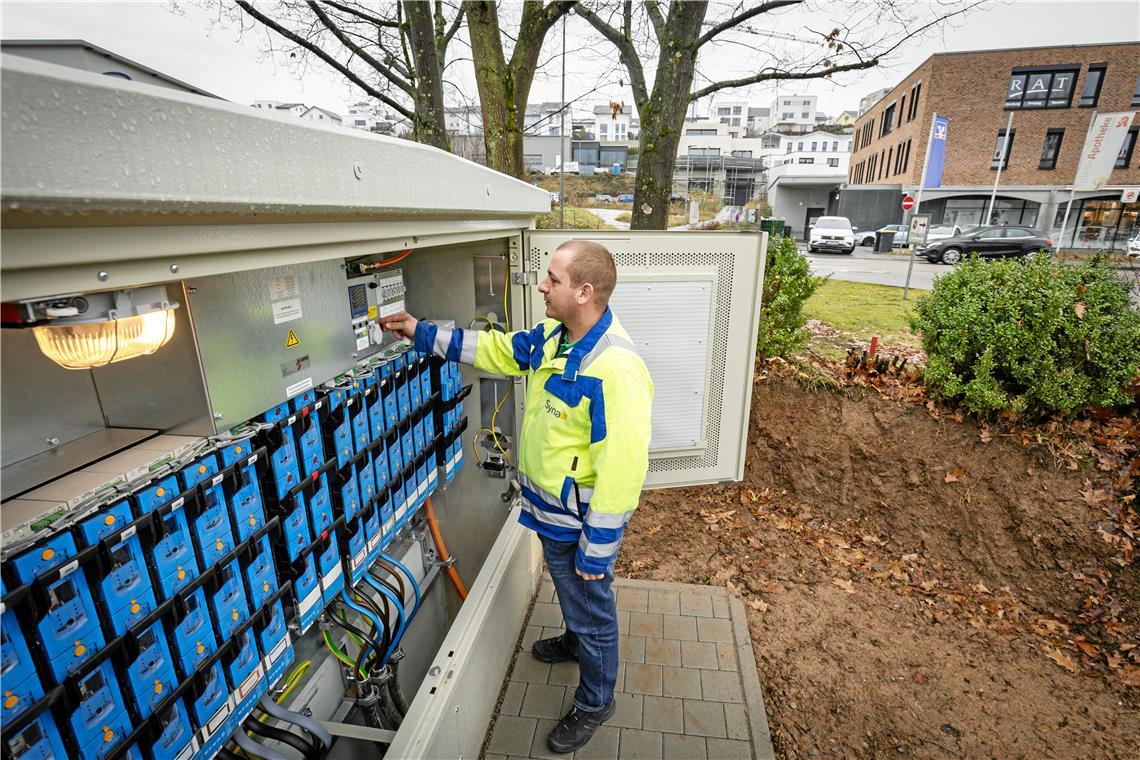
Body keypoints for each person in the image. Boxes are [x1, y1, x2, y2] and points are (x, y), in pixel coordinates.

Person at [380, 240, 653, 754]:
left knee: (594, 608)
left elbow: (623, 468)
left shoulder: (616, 369)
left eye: (553, 279)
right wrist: (422, 332)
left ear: (584, 291)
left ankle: (597, 701)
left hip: (580, 527)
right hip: (552, 517)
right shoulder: (557, 336)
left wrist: (599, 548)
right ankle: (577, 641)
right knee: (576, 600)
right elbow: (497, 351)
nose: (543, 286)